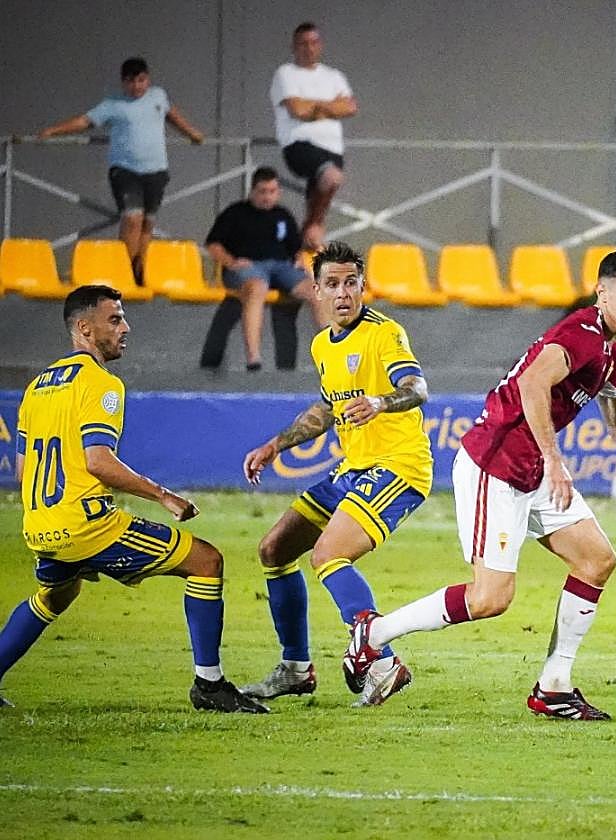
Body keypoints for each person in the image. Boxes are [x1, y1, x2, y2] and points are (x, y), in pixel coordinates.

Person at [342, 249, 616, 720]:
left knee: (597, 560)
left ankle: (554, 687)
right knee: (490, 599)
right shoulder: (578, 335)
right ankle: (372, 634)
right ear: (602, 293)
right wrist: (556, 461)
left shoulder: (609, 351)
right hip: (494, 464)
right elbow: (533, 385)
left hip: (533, 468)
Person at [0, 286, 266, 713]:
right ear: (84, 328)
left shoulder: (35, 389)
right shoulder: (101, 384)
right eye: (115, 319)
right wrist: (164, 497)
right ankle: (210, 686)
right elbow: (99, 461)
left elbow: (21, 472)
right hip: (88, 528)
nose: (126, 327)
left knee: (55, 595)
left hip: (41, 527)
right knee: (206, 562)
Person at [240, 241, 432, 708]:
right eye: (333, 284)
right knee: (274, 548)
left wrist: (382, 402)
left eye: (351, 283)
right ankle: (295, 668)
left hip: (398, 468)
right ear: (317, 290)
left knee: (327, 554)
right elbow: (327, 410)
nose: (343, 293)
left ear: (363, 286)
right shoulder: (323, 343)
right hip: (353, 469)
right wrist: (274, 445)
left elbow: (417, 388)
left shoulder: (385, 334)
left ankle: (383, 662)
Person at [37, 57, 205, 282]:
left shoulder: (158, 95)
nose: (137, 86)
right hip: (126, 170)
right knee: (132, 218)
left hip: (156, 170)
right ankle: (123, 268)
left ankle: (140, 270)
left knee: (148, 223)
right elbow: (84, 121)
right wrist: (52, 131)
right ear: (123, 82)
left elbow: (172, 115)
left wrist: (191, 132)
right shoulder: (112, 104)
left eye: (141, 80)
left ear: (148, 79)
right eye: (131, 82)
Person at [202, 166, 317, 371]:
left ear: (278, 192)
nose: (267, 197)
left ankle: (337, 351)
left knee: (317, 291)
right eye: (262, 191)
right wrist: (231, 262)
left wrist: (301, 261)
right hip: (248, 266)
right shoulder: (235, 212)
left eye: (272, 191)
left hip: (281, 266)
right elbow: (213, 244)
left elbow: (296, 248)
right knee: (257, 288)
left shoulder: (283, 215)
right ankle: (253, 358)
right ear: (252, 191)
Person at [270, 22, 357, 250]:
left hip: (332, 147)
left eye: (314, 43)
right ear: (294, 47)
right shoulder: (285, 73)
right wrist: (330, 106)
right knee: (332, 178)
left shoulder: (334, 76)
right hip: (300, 145)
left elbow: (349, 108)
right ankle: (313, 225)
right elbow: (297, 111)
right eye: (303, 44)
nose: (309, 48)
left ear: (320, 46)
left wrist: (315, 107)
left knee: (322, 188)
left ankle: (303, 243)